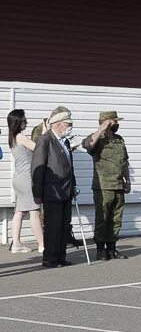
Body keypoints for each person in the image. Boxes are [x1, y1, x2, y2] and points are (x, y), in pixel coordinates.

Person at [31, 108, 78, 268]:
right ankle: (50, 258)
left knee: (64, 225)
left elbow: (69, 166)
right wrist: (37, 192)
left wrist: (74, 185)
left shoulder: (65, 141)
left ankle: (60, 255)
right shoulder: (45, 140)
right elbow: (38, 167)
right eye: (68, 124)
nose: (70, 126)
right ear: (58, 124)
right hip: (52, 191)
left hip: (66, 190)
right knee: (53, 227)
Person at [81, 111, 131, 260]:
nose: (117, 124)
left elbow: (125, 162)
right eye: (115, 121)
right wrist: (101, 128)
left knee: (116, 219)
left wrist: (127, 180)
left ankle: (112, 248)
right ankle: (100, 249)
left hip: (118, 185)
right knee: (102, 218)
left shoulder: (119, 139)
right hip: (103, 186)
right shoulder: (97, 139)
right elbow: (87, 145)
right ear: (107, 122)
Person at [7, 109, 44, 254]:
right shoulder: (21, 137)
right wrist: (45, 132)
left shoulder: (12, 137)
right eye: (24, 120)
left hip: (18, 178)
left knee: (20, 211)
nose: (26, 122)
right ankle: (42, 245)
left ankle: (16, 243)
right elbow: (38, 148)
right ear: (18, 121)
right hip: (27, 178)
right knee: (34, 211)